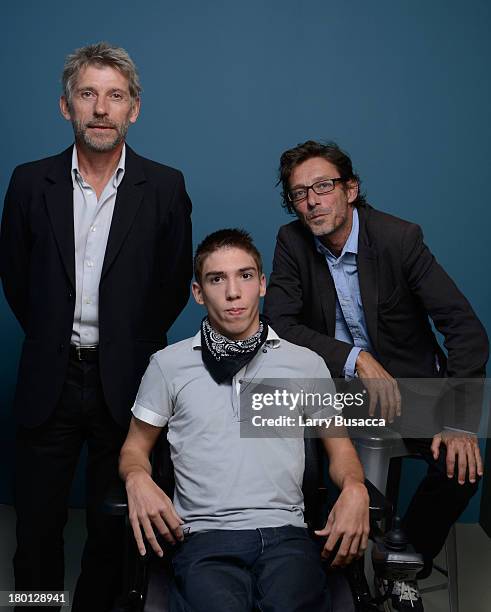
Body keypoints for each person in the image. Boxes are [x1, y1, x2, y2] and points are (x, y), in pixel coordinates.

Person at [0, 42, 192, 611]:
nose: (101, 108)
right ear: (66, 106)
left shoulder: (163, 186)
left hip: (126, 382)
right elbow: (14, 275)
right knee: (37, 527)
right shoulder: (30, 182)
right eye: (88, 94)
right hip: (48, 379)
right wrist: (53, 336)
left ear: (134, 108)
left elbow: (171, 281)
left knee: (115, 528)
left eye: (115, 96)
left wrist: (126, 344)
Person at [263, 140, 489, 610]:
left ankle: (404, 561)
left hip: (412, 391)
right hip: (338, 391)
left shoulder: (398, 238)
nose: (311, 201)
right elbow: (280, 325)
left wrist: (459, 421)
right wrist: (354, 359)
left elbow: (466, 330)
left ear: (351, 189)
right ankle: (322, 572)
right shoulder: (292, 241)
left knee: (462, 472)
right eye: (299, 193)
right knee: (281, 445)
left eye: (322, 186)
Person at [119, 228, 370, 612]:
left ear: (262, 284)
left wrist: (355, 487)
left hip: (287, 534)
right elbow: (135, 449)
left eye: (245, 276)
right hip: (204, 538)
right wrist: (137, 477)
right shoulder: (168, 364)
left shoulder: (305, 363)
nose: (233, 292)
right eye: (217, 279)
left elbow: (340, 450)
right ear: (198, 293)